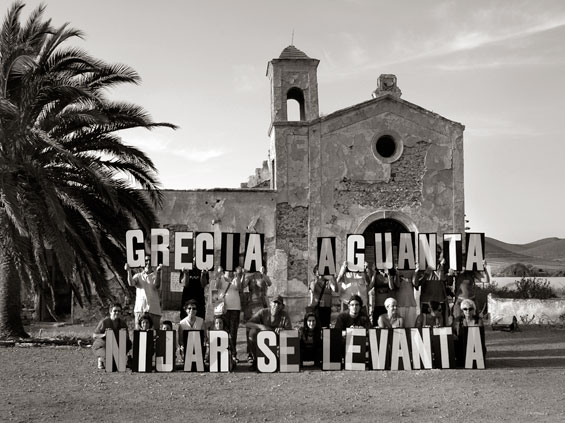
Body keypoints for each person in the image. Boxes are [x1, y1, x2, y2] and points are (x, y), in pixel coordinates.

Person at [245, 295, 292, 367]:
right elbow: (248, 324)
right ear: (270, 303)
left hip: (278, 339)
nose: (276, 305)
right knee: (252, 332)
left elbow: (290, 332)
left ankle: (281, 359)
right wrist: (261, 326)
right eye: (274, 302)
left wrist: (283, 330)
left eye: (279, 303)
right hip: (264, 339)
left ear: (282, 306)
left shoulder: (285, 315)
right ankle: (255, 359)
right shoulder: (263, 312)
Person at [125, 256, 163, 330]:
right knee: (139, 335)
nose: (148, 262)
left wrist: (158, 272)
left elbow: (157, 285)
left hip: (154, 309)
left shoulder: (156, 274)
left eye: (150, 260)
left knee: (154, 335)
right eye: (146, 260)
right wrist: (128, 271)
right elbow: (131, 283)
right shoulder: (138, 276)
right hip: (140, 309)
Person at [244, 266, 272, 361]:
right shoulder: (250, 277)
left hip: (263, 303)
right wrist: (245, 274)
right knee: (250, 328)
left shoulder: (262, 276)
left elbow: (270, 283)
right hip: (252, 304)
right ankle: (250, 353)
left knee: (264, 326)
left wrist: (263, 273)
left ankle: (263, 349)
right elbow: (243, 285)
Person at [92, 303, 132, 370]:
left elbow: (127, 339)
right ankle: (101, 359)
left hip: (115, 346)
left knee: (128, 343)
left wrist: (124, 335)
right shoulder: (104, 322)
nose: (117, 313)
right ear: (110, 311)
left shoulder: (122, 323)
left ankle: (121, 359)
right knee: (109, 364)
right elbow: (94, 335)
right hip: (102, 346)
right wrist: (104, 335)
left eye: (119, 311)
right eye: (115, 311)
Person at [215, 265, 242, 363]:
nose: (229, 271)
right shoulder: (221, 278)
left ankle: (233, 354)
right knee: (223, 331)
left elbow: (239, 287)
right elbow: (216, 286)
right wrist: (218, 274)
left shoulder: (235, 278)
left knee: (233, 332)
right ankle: (222, 352)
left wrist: (238, 275)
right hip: (223, 309)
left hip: (235, 308)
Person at [452, 298, 485, 365]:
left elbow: (481, 337)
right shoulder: (457, 321)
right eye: (465, 309)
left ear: (474, 310)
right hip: (461, 345)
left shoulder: (478, 320)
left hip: (474, 346)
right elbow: (452, 332)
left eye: (470, 309)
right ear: (462, 310)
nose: (468, 311)